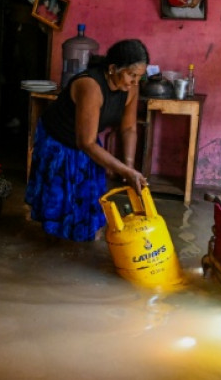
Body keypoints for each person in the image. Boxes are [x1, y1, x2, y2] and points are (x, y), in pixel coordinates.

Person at [25, 39, 150, 242]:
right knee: (61, 197)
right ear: (112, 69)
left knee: (90, 194)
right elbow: (87, 143)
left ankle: (82, 233)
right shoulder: (90, 86)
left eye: (139, 77)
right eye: (131, 75)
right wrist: (124, 171)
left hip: (86, 139)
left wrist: (128, 167)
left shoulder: (130, 88)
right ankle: (52, 239)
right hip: (58, 138)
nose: (135, 82)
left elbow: (128, 128)